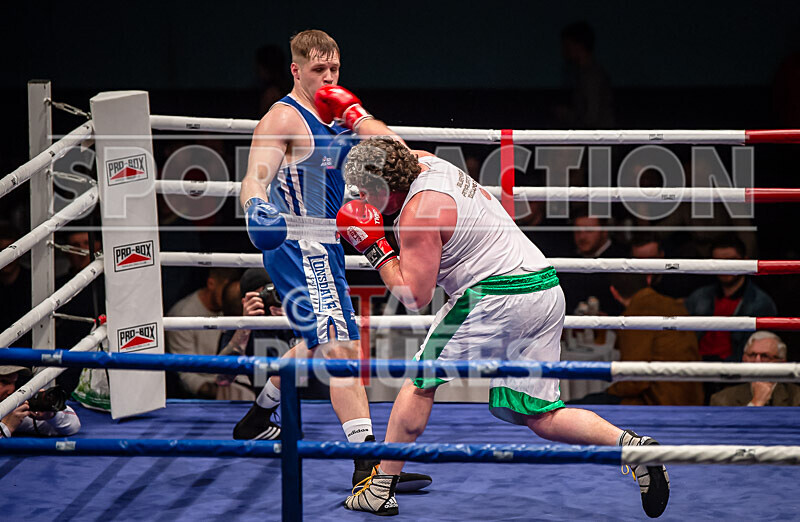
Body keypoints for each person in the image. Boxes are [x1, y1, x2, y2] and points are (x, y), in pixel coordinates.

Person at [321, 86, 669, 518]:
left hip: (496, 297)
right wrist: (354, 114)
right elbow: (384, 139)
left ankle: (381, 488)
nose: (364, 202)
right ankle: (632, 448)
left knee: (419, 381)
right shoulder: (420, 160)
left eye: (369, 195)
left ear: (389, 192)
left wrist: (375, 248)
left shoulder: (417, 215)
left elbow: (415, 296)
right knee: (539, 413)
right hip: (544, 289)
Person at [236, 29, 430, 492]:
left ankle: (259, 414)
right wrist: (255, 210)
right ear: (295, 69)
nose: (327, 77)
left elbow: (397, 154)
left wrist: (357, 114)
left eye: (334, 69)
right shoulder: (282, 118)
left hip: (329, 243)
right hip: (298, 243)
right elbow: (253, 179)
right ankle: (369, 470)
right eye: (318, 69)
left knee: (318, 338)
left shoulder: (340, 112)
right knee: (341, 347)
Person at [605, 274, 704, 405]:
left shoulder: (632, 317)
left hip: (661, 403)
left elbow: (635, 381)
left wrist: (609, 391)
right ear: (648, 280)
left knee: (581, 406)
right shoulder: (674, 305)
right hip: (692, 397)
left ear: (613, 291)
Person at [685, 236, 778, 362]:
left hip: (735, 374)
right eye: (718, 262)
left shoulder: (761, 303)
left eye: (731, 260)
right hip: (696, 370)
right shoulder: (698, 297)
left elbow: (760, 354)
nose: (725, 267)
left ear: (745, 261)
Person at [165, 267, 240, 399]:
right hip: (204, 396)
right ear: (211, 284)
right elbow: (185, 373)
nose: (230, 294)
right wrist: (216, 392)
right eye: (226, 289)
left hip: (235, 385)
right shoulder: (182, 315)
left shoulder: (234, 307)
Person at [710, 331, 800, 406]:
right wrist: (756, 403)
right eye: (752, 355)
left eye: (765, 356)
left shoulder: (797, 398)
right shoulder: (722, 400)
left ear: (781, 362)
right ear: (744, 359)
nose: (757, 361)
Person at [0, 366, 81, 437]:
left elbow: (72, 426)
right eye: (4, 382)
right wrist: (6, 427)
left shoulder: (11, 410)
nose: (11, 390)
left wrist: (51, 415)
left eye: (14, 382)